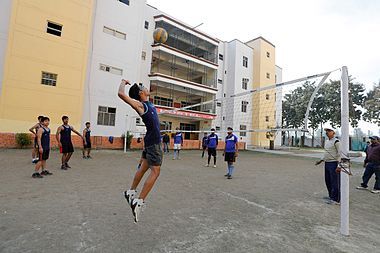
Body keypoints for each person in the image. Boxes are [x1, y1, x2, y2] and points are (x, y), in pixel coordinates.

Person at [118, 79, 162, 223]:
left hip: (149, 141)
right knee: (155, 172)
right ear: (141, 93)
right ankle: (139, 201)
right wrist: (123, 83)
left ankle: (131, 191)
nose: (146, 88)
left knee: (143, 168)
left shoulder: (149, 104)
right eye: (143, 87)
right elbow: (121, 94)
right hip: (154, 143)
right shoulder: (141, 105)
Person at [315, 128, 341, 205]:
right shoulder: (327, 142)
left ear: (334, 132)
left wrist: (339, 166)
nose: (327, 132)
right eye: (326, 131)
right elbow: (326, 153)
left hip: (334, 163)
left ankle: (336, 199)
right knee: (328, 180)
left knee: (335, 182)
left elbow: (340, 154)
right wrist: (321, 160)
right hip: (327, 163)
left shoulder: (337, 141)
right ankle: (331, 196)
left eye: (329, 131)